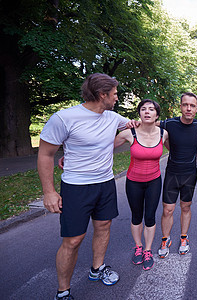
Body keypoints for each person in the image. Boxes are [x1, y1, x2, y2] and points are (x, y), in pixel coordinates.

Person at [38, 73, 136, 300]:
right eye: (114, 94)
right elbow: (45, 154)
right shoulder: (64, 118)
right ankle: (63, 292)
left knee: (104, 226)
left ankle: (97, 269)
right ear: (102, 95)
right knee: (73, 240)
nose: (117, 98)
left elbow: (137, 123)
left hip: (105, 183)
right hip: (76, 187)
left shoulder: (111, 117)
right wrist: (49, 192)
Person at [114, 99, 168, 271]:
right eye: (143, 109)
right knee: (137, 216)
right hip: (133, 182)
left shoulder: (163, 134)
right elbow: (103, 147)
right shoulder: (129, 133)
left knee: (150, 216)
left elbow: (177, 149)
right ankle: (138, 247)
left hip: (154, 181)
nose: (147, 112)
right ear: (139, 113)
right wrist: (70, 155)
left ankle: (147, 250)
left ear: (157, 115)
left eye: (151, 109)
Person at [157, 92, 197, 258]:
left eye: (192, 106)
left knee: (185, 207)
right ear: (180, 106)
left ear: (196, 109)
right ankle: (165, 239)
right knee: (168, 210)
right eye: (185, 104)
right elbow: (148, 123)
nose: (188, 108)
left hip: (190, 174)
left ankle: (184, 238)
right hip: (172, 173)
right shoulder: (169, 124)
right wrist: (133, 123)